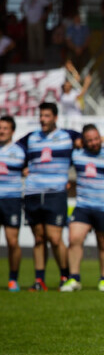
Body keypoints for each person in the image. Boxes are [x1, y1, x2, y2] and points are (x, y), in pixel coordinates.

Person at [17, 103, 79, 291]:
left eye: (47, 116)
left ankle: (65, 276)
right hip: (33, 193)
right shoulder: (31, 138)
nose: (43, 119)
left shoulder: (68, 136)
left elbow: (86, 141)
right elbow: (12, 154)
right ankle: (39, 280)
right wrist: (22, 168)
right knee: (38, 238)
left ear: (55, 118)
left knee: (55, 237)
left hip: (55, 193)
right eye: (41, 116)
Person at [60, 125, 104, 292]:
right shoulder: (77, 154)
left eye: (96, 139)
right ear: (83, 141)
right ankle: (74, 278)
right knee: (74, 239)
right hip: (83, 205)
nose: (94, 143)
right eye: (90, 140)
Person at [0, 116, 25, 292]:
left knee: (12, 241)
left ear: (12, 131)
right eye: (0, 128)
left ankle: (13, 279)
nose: (1, 131)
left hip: (12, 200)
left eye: (5, 128)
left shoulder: (20, 151)